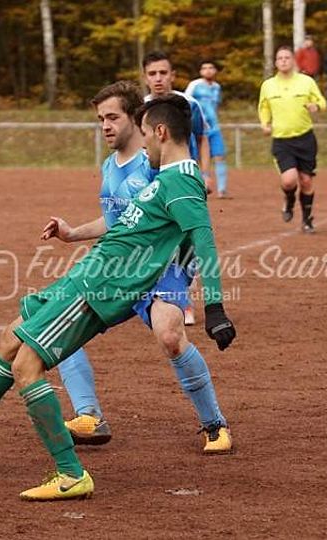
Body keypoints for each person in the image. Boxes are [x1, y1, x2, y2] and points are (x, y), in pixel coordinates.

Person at [0, 94, 237, 501]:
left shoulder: (181, 181)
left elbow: (204, 242)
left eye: (145, 134)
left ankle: (71, 473)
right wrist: (74, 236)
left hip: (96, 289)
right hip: (84, 276)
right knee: (11, 336)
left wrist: (215, 307)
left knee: (26, 366)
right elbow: (131, 226)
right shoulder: (167, 178)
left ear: (160, 132)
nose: (143, 142)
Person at [43, 81, 232, 455]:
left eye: (112, 117)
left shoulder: (158, 163)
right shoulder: (109, 167)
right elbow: (119, 221)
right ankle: (89, 416)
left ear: (135, 119)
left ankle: (214, 424)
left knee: (169, 334)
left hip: (163, 265)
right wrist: (73, 233)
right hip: (122, 266)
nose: (105, 126)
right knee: (60, 322)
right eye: (101, 119)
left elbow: (181, 210)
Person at [143, 50, 211, 324]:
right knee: (155, 240)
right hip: (151, 182)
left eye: (163, 72)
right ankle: (156, 298)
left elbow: (202, 138)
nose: (158, 78)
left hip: (183, 182)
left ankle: (184, 301)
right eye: (152, 73)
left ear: (172, 75)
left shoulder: (189, 104)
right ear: (145, 77)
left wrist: (205, 174)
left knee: (186, 241)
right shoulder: (140, 108)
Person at [258, 45, 327, 234]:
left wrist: (316, 106)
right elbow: (263, 107)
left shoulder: (306, 82)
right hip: (282, 140)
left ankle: (307, 220)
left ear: (293, 61)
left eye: (287, 57)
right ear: (275, 62)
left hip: (305, 138)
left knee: (306, 181)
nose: (283, 61)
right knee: (289, 181)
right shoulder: (268, 85)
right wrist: (265, 123)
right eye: (280, 58)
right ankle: (289, 200)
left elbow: (322, 102)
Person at [186, 60, 229, 198]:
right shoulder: (195, 85)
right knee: (197, 158)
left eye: (211, 67)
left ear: (215, 71)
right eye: (204, 68)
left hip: (214, 128)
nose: (208, 70)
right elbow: (186, 102)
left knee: (220, 156)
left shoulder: (217, 87)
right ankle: (201, 185)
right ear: (200, 71)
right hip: (198, 128)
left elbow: (215, 106)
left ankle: (222, 190)